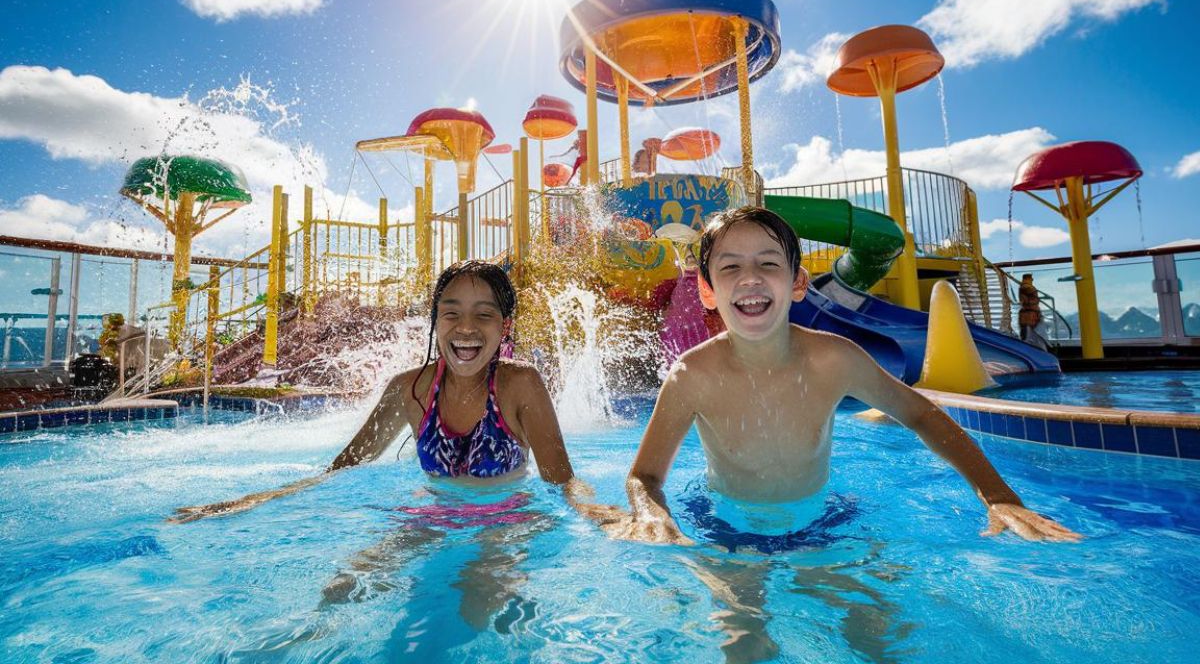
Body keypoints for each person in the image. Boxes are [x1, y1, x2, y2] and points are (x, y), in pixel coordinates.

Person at [601, 206, 1080, 546]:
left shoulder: (834, 359)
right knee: (744, 642)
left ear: (797, 283)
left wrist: (998, 497)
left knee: (875, 638)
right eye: (730, 268)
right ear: (707, 291)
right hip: (726, 527)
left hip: (822, 523)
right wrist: (650, 514)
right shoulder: (693, 374)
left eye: (768, 264)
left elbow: (922, 415)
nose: (750, 279)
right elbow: (644, 476)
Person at [170, 261, 605, 609]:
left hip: (505, 520)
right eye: (451, 313)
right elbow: (344, 467)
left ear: (504, 326)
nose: (466, 328)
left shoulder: (519, 385)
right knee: (341, 589)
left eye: (483, 315)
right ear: (435, 322)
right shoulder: (408, 390)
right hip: (432, 517)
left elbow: (561, 481)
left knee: (478, 602)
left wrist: (599, 514)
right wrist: (249, 502)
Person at [1018, 273, 1047, 350]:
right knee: (1029, 333)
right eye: (1030, 279)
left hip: (1030, 315)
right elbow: (1032, 299)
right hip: (1029, 315)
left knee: (1030, 333)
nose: (1031, 280)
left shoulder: (1025, 287)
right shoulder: (1027, 287)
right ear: (1027, 279)